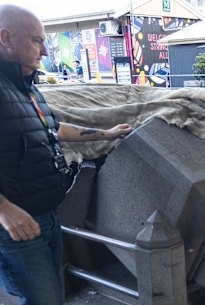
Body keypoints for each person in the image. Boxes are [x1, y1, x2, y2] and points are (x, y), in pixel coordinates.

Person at [0, 4, 132, 305]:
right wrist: (4, 209)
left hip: (46, 214)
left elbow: (54, 129)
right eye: (36, 40)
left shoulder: (26, 88)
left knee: (52, 297)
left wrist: (106, 133)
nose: (45, 51)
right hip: (13, 226)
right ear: (5, 38)